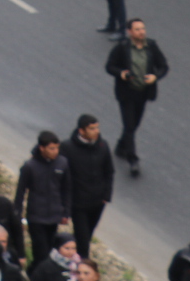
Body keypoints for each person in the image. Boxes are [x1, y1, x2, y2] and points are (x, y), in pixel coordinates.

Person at [104, 18, 168, 176]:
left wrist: (155, 76)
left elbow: (164, 66)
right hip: (126, 93)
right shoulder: (122, 48)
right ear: (129, 32)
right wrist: (122, 73)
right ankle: (133, 159)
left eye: (143, 29)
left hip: (143, 93)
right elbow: (110, 66)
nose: (142, 32)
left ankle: (121, 146)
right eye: (138, 29)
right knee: (130, 125)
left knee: (133, 124)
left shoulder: (151, 46)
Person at [59, 113, 115, 251]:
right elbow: (59, 172)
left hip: (97, 202)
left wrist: (106, 196)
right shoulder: (67, 147)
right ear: (81, 131)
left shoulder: (102, 145)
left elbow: (109, 171)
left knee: (87, 236)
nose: (97, 131)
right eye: (92, 128)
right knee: (83, 240)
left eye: (97, 128)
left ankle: (73, 256)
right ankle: (83, 265)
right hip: (78, 204)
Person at [14, 132, 72, 263]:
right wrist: (17, 214)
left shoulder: (62, 163)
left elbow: (67, 189)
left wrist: (66, 212)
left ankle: (35, 274)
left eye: (57, 148)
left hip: (54, 215)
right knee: (41, 252)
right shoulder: (30, 166)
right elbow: (20, 191)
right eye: (52, 148)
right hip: (36, 216)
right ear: (42, 148)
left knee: (50, 250)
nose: (55, 151)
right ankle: (39, 278)